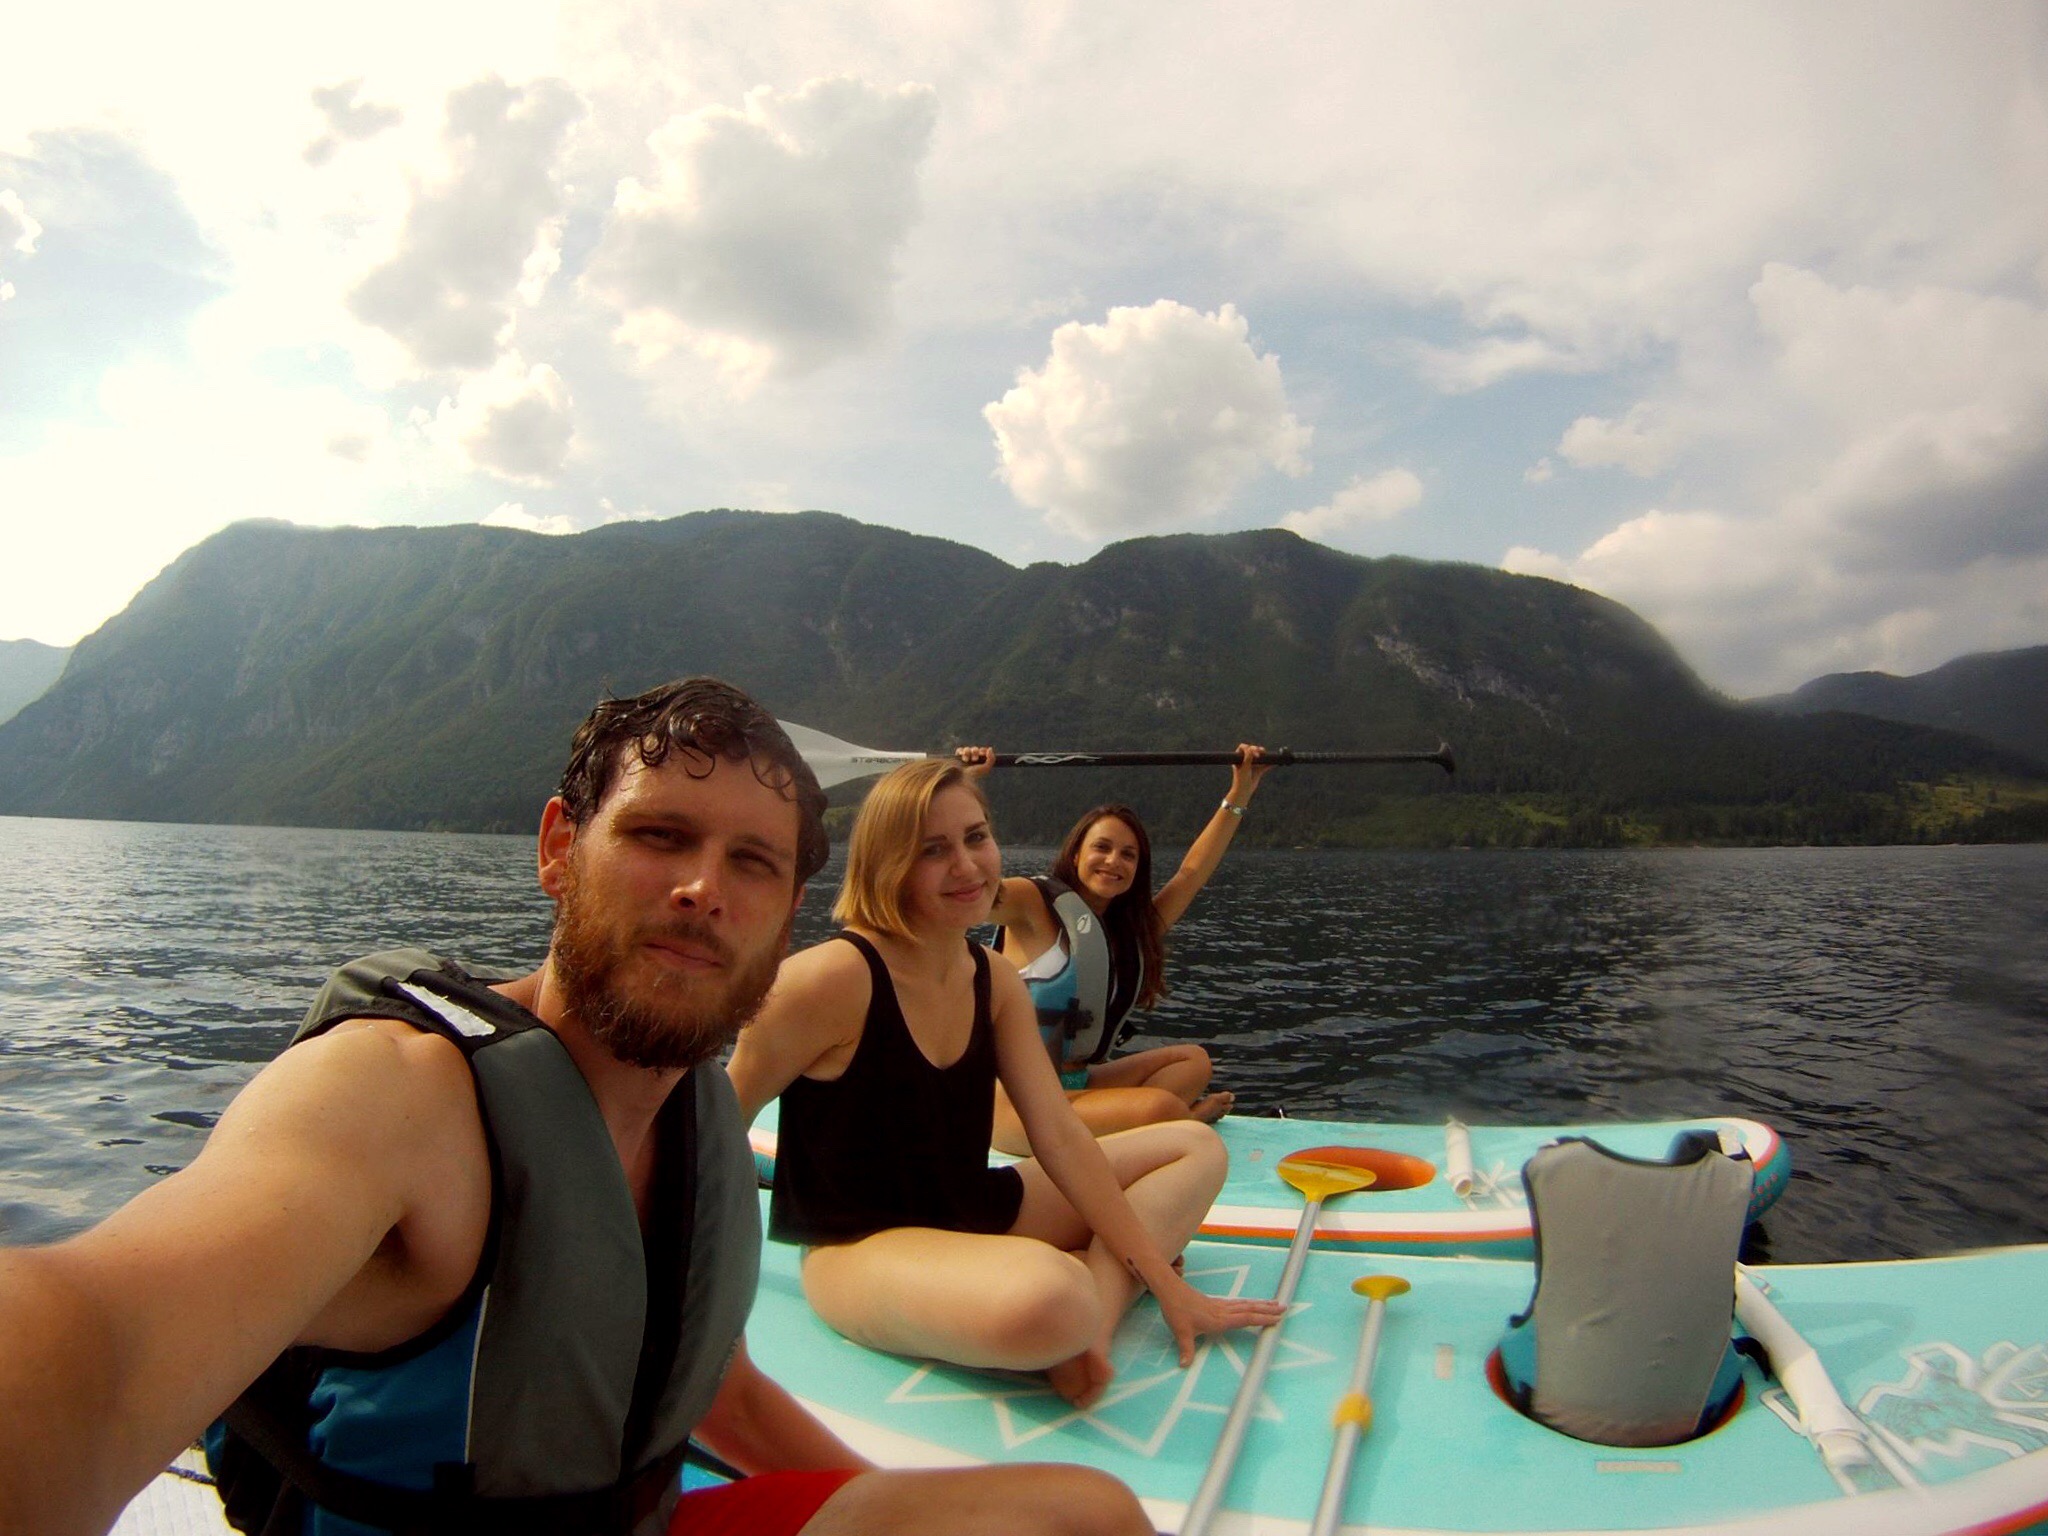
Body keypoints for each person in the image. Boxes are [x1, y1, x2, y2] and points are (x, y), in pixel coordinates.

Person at [0, 679, 1150, 1536]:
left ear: (787, 905)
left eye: (752, 864)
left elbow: (700, 1385)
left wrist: (877, 1500)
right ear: (559, 849)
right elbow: (90, 1343)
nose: (706, 886)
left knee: (1079, 1514)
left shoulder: (696, 1110)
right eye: (658, 836)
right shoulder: (399, 1097)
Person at [726, 757, 1284, 1412]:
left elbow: (1061, 1139)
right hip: (860, 1247)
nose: (966, 866)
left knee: (1195, 1149)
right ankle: (1077, 1312)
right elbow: (711, 1133)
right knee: (1050, 1294)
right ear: (886, 861)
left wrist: (1166, 1284)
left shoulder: (991, 981)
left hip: (974, 1205)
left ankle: (1091, 1329)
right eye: (933, 849)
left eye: (976, 837)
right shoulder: (823, 982)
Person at [956, 745, 1271, 1155]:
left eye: (1128, 855)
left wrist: (1240, 792)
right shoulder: (1031, 902)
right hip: (1014, 1104)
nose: (1113, 861)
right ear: (1075, 853)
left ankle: (1135, 1124)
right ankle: (1172, 1121)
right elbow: (972, 881)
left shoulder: (1132, 929)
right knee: (1159, 1106)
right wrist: (963, 782)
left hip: (1077, 1084)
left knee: (1194, 1062)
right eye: (1101, 848)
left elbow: (1191, 873)